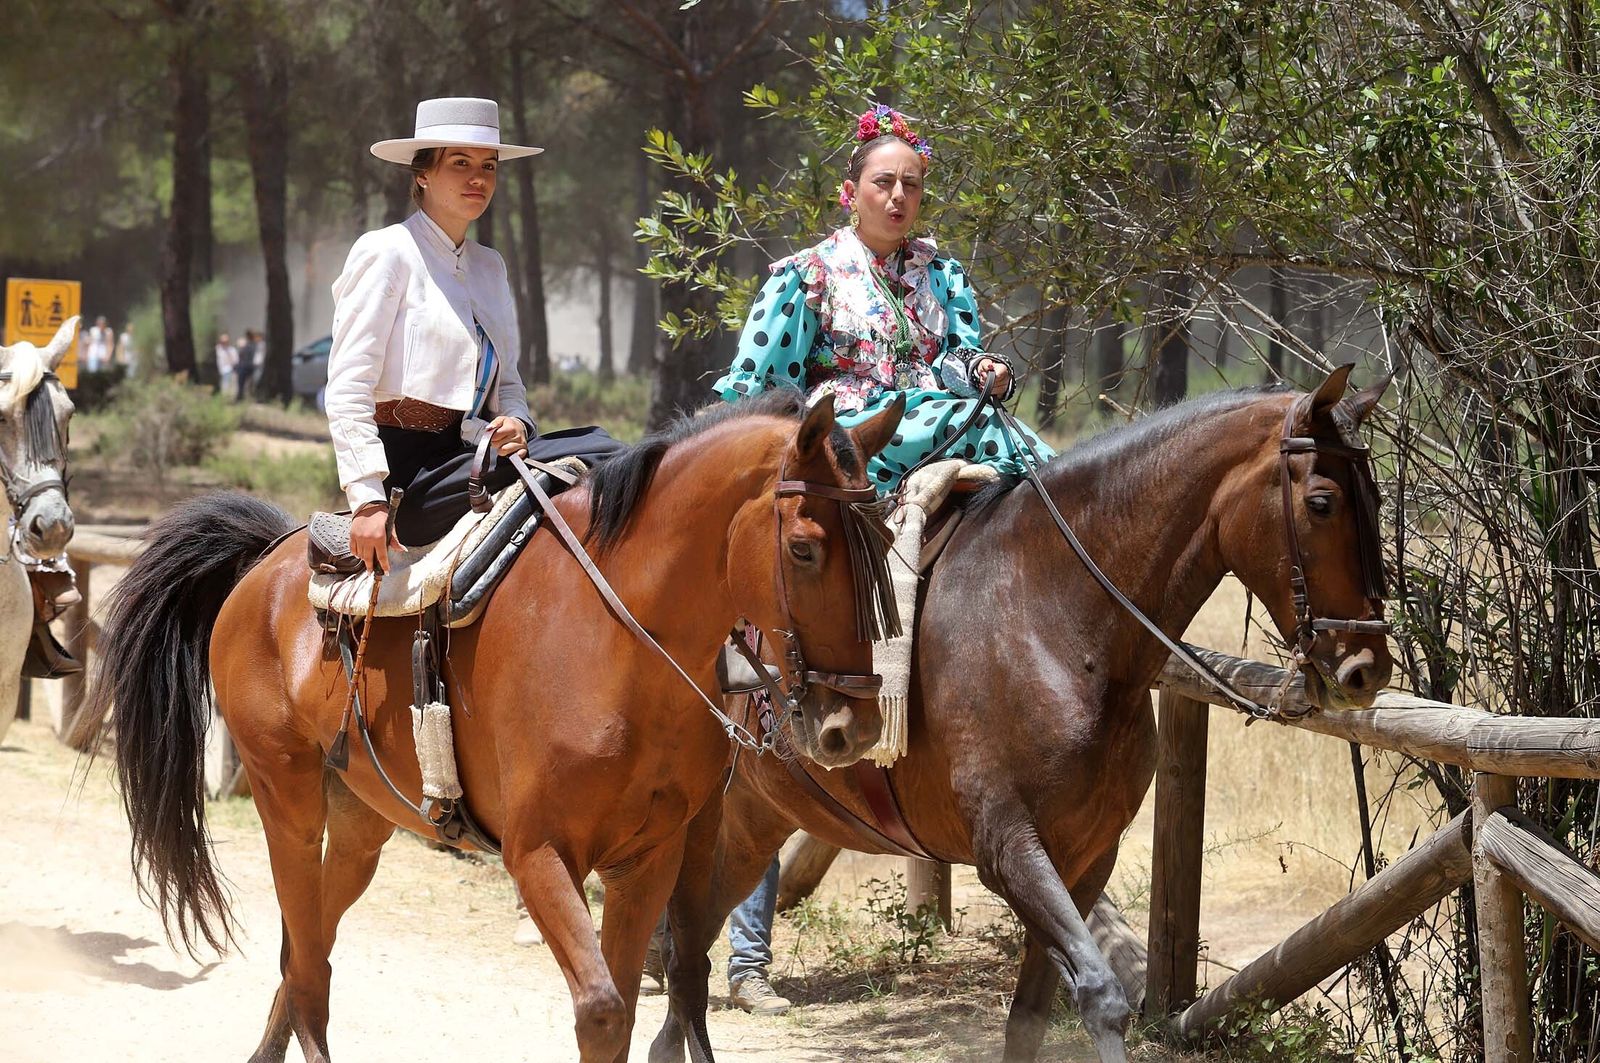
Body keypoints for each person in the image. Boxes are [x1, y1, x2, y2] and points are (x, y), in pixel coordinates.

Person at [326, 96, 624, 568]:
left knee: (605, 448)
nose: (478, 178)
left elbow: (508, 383)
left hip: (474, 456)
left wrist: (517, 422)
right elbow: (347, 388)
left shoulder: (490, 267)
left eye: (489, 165)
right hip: (408, 478)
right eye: (460, 163)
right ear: (422, 173)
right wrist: (366, 497)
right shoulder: (387, 252)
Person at [714, 104, 1054, 489]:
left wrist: (985, 372)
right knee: (983, 425)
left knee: (985, 422)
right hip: (848, 434)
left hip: (936, 418)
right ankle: (1067, 491)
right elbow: (763, 386)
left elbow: (957, 359)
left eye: (911, 185)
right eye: (883, 182)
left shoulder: (944, 276)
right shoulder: (808, 275)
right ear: (850, 193)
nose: (898, 195)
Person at [214, 332, 237, 397]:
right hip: (219, 369)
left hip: (228, 369)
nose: (224, 343)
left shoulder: (232, 350)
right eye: (223, 341)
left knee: (227, 384)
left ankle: (226, 397)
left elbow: (235, 360)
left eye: (226, 341)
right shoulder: (217, 349)